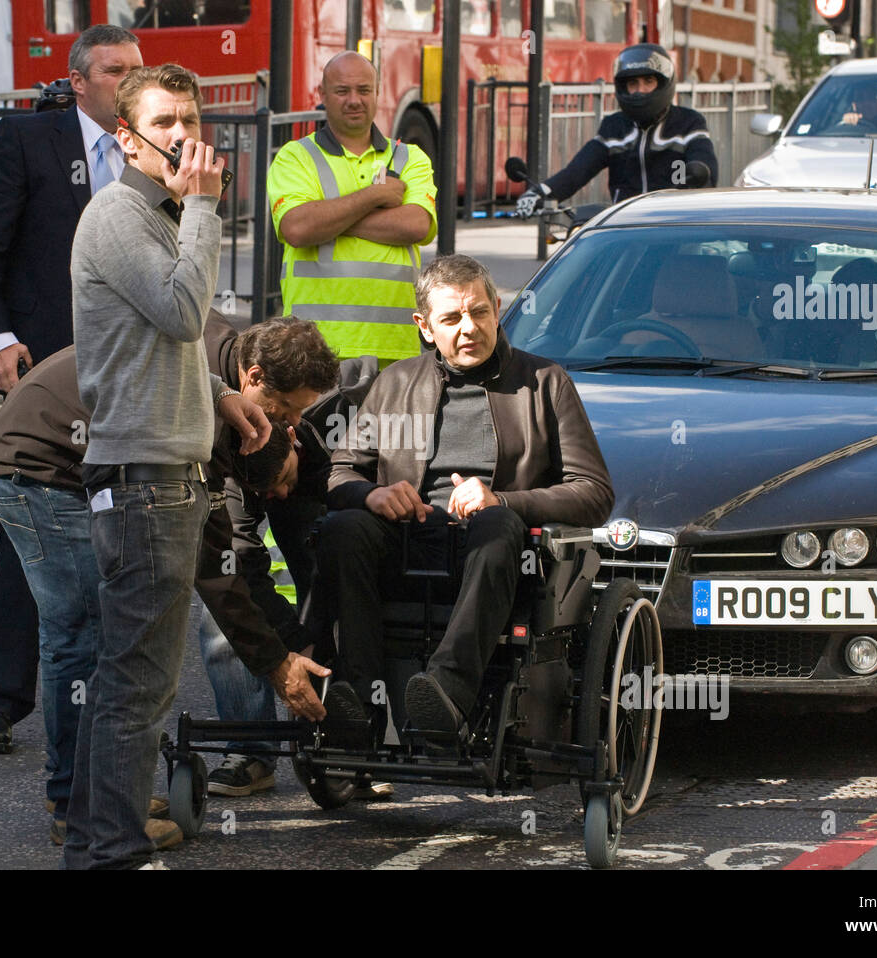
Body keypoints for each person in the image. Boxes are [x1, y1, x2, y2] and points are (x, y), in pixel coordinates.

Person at [62, 63, 310, 870]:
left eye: (191, 118)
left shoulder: (158, 216)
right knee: (135, 685)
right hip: (142, 483)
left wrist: (216, 395)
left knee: (138, 683)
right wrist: (203, 206)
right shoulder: (121, 214)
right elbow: (179, 310)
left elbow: (144, 344)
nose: (182, 134)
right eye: (164, 120)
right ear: (127, 135)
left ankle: (104, 842)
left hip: (165, 473)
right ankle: (110, 849)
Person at [314, 254, 614, 745]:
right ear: (425, 327)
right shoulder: (394, 385)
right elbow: (341, 473)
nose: (469, 328)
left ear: (498, 309)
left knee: (497, 528)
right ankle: (357, 696)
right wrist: (373, 495)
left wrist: (503, 500)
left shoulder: (544, 383)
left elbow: (594, 493)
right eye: (452, 318)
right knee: (343, 529)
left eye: (479, 312)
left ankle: (446, 693)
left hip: (500, 556)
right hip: (408, 543)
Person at [0, 24, 143, 755]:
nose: (128, 82)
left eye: (137, 70)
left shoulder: (152, 152)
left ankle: (108, 696)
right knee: (23, 537)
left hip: (127, 375)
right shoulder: (29, 142)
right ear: (77, 81)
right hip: (40, 376)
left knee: (121, 526)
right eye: (114, 71)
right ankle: (2, 701)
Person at [0, 346, 183, 849]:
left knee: (74, 634)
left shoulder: (180, 341)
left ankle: (80, 794)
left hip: (30, 461)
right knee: (81, 637)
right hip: (40, 473)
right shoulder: (185, 351)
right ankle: (79, 808)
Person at [197, 314, 378, 797]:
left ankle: (350, 740)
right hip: (222, 470)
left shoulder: (304, 425)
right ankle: (251, 751)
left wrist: (313, 640)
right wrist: (287, 652)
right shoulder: (206, 397)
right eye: (283, 411)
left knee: (331, 564)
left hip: (297, 472)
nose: (294, 422)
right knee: (224, 607)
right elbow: (235, 569)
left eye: (300, 413)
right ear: (251, 379)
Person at [266, 50, 438, 362]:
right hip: (314, 348)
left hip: (396, 348)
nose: (354, 100)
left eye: (363, 90)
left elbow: (416, 225)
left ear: (377, 93)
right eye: (342, 91)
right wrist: (374, 196)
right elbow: (298, 228)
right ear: (323, 95)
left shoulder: (410, 157)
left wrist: (329, 219)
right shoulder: (295, 157)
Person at [516, 43, 717, 213]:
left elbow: (704, 163)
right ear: (623, 87)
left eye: (649, 81)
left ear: (663, 83)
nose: (640, 90)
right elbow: (577, 171)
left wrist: (697, 171)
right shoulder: (614, 127)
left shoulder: (689, 123)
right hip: (626, 223)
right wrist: (539, 193)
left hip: (675, 222)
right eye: (633, 83)